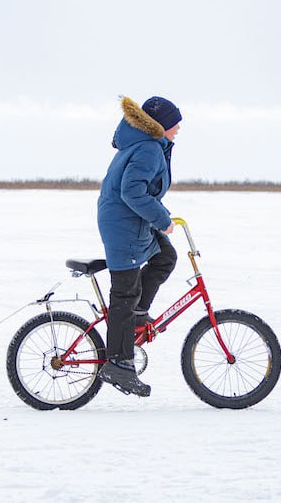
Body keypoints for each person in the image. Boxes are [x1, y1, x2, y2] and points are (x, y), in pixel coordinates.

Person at [96, 95, 182, 397]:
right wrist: (160, 219)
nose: (179, 129)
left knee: (165, 256)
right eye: (175, 124)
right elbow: (133, 192)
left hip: (128, 220)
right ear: (161, 125)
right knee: (125, 292)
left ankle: (137, 314)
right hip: (123, 225)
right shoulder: (148, 149)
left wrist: (162, 216)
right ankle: (118, 363)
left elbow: (142, 190)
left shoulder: (145, 145)